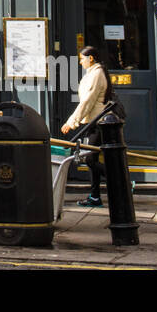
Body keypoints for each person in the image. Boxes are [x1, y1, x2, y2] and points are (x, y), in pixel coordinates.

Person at [61, 46, 112, 207]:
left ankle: (120, 179)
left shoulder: (96, 74)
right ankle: (95, 196)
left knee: (90, 159)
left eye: (82, 58)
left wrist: (71, 122)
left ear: (91, 58)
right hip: (93, 121)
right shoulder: (93, 73)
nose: (80, 61)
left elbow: (87, 102)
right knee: (92, 159)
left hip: (97, 122)